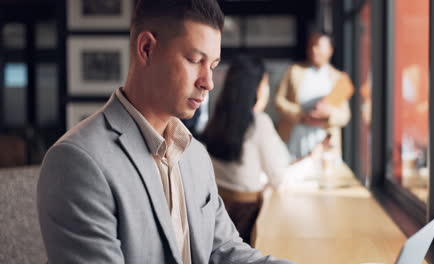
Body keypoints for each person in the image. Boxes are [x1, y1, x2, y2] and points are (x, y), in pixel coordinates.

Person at [36, 1, 295, 263]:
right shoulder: (76, 162)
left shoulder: (195, 154)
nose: (208, 82)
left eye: (213, 66)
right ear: (146, 49)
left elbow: (223, 250)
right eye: (195, 60)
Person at [201, 55, 289, 245]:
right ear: (255, 87)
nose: (267, 91)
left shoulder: (216, 119)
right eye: (265, 84)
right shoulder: (259, 123)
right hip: (249, 219)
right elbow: (278, 177)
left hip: (218, 218)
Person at [275, 32, 354, 160]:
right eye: (311, 46)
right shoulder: (294, 71)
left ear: (330, 50)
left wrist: (329, 114)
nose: (314, 50)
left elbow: (345, 115)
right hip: (294, 137)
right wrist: (301, 115)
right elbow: (279, 101)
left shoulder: (338, 78)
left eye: (318, 46)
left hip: (325, 141)